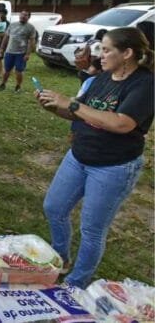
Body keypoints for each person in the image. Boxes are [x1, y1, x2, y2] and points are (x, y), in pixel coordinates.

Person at [37, 27, 153, 288]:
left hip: (113, 167)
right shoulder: (104, 77)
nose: (100, 54)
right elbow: (78, 113)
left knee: (91, 229)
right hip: (79, 155)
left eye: (107, 49)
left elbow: (122, 124)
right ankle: (61, 259)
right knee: (54, 208)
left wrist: (73, 104)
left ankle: (76, 283)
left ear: (127, 53)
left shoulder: (145, 84)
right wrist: (55, 107)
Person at [0, 10, 36, 92]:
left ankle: (18, 86)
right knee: (6, 70)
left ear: (28, 17)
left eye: (25, 15)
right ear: (19, 15)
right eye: (21, 14)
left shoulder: (31, 28)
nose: (23, 16)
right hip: (9, 52)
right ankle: (3, 84)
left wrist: (28, 54)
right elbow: (6, 38)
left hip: (21, 53)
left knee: (19, 71)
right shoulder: (12, 25)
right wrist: (1, 49)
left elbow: (31, 42)